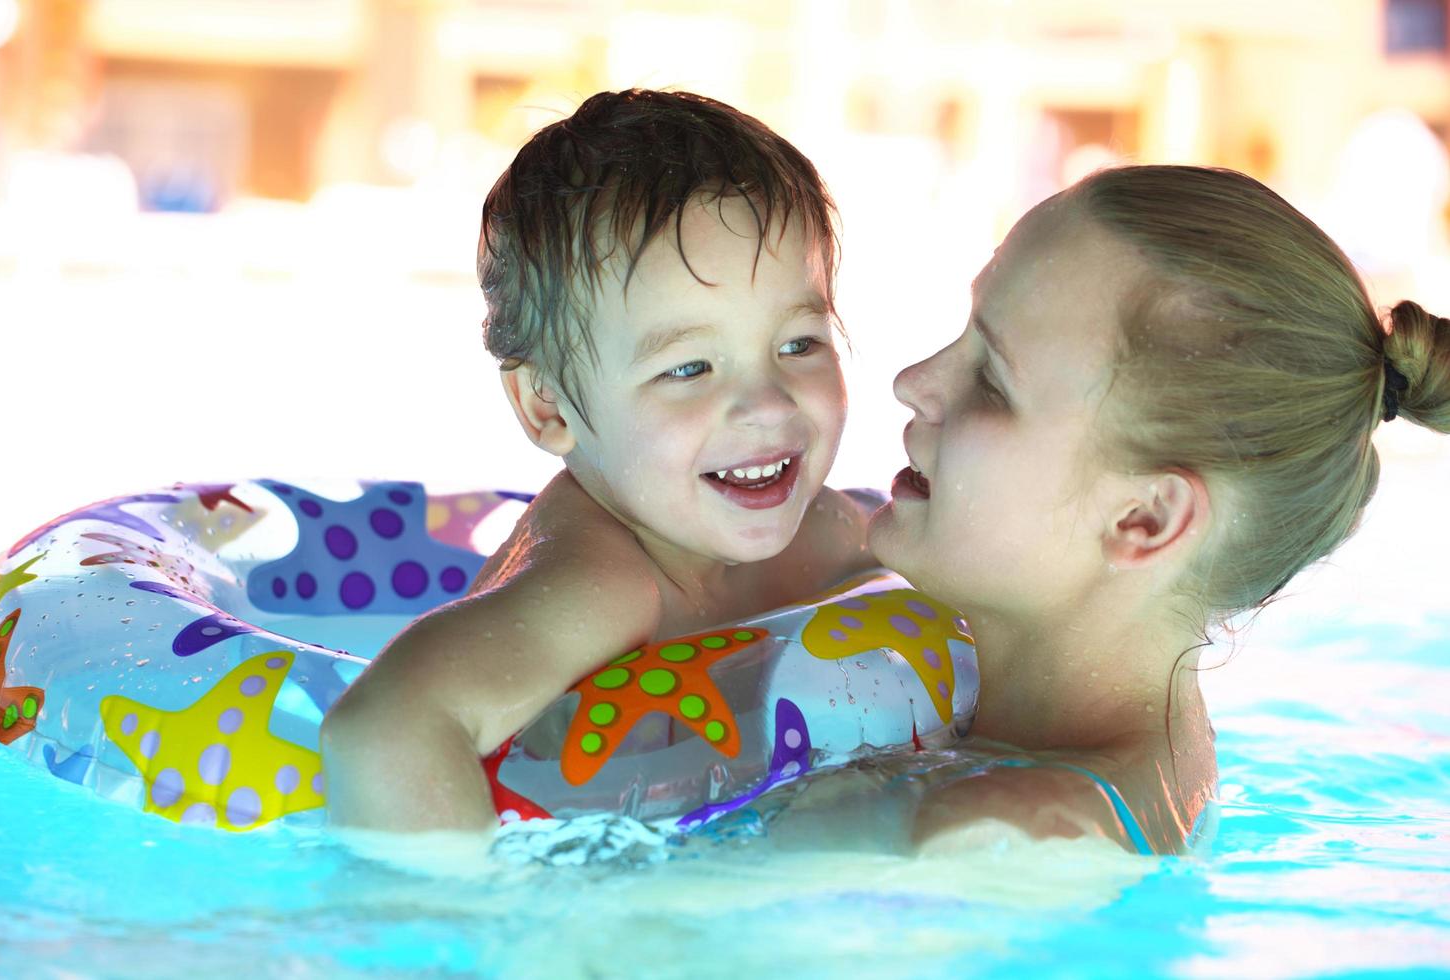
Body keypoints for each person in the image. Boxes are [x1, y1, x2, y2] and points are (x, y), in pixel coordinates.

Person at [829, 164, 1448, 856]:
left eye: (992, 383)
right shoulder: (1147, 754)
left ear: (1144, 521)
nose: (913, 383)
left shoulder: (1000, 839)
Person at [320, 90, 875, 832]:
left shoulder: (828, 532)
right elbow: (382, 728)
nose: (769, 405)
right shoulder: (603, 585)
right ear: (546, 406)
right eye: (688, 368)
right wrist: (454, 926)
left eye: (798, 344)